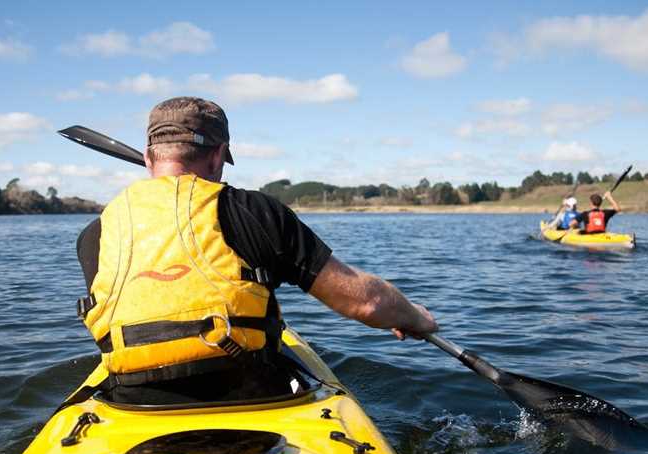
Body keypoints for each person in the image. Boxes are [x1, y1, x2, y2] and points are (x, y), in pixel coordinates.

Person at [74, 96, 438, 405]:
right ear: (217, 156)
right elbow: (366, 302)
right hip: (247, 395)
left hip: (132, 401)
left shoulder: (96, 232)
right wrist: (412, 316)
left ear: (149, 156)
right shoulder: (254, 211)